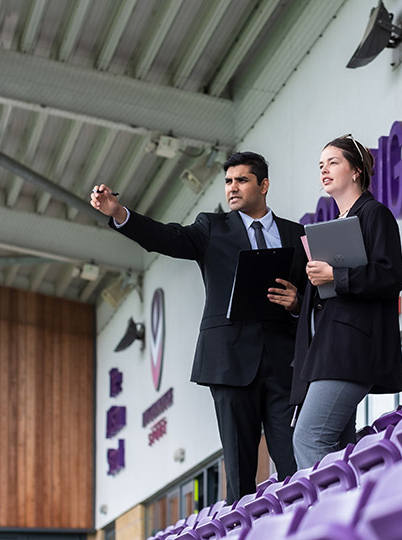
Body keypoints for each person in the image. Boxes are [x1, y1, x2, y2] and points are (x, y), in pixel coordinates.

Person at [90, 151, 305, 503]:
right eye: (228, 182)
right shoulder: (212, 228)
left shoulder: (296, 235)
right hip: (230, 364)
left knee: (295, 460)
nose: (232, 188)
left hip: (284, 363)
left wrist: (296, 303)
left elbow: (309, 294)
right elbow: (165, 237)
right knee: (240, 470)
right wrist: (118, 214)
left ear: (263, 185)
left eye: (242, 180)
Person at [288, 135, 402, 469]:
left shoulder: (374, 214)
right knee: (339, 446)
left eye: (333, 163)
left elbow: (390, 275)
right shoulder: (336, 224)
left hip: (349, 350)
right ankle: (355, 510)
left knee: (309, 438)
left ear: (356, 171)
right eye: (321, 166)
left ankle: (330, 517)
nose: (325, 170)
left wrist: (335, 276)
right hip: (330, 350)